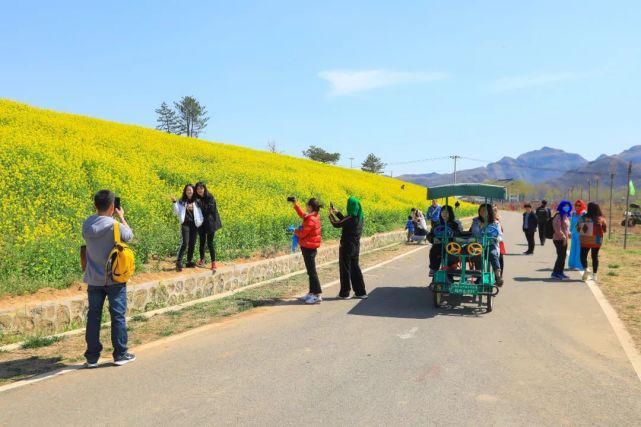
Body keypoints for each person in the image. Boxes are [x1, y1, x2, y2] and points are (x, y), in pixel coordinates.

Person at [82, 190, 135, 368]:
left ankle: (91, 358)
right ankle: (120, 354)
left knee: (93, 316)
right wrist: (122, 218)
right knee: (118, 316)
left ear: (95, 206)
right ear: (113, 207)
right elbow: (130, 236)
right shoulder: (115, 226)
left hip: (93, 279)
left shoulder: (87, 224)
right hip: (114, 279)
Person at [329, 196, 367, 299]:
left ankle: (344, 293)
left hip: (346, 246)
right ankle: (361, 292)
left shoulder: (350, 218)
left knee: (345, 269)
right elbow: (345, 221)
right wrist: (337, 212)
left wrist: (330, 215)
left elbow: (337, 224)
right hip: (355, 246)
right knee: (355, 268)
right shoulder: (360, 217)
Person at [290, 197, 323, 304]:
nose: (306, 207)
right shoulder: (313, 216)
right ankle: (311, 293)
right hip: (309, 247)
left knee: (312, 272)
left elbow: (303, 233)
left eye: (307, 206)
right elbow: (303, 215)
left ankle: (317, 295)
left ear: (310, 207)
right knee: (310, 271)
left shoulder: (311, 219)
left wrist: (294, 231)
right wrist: (295, 204)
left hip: (309, 248)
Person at [470, 203, 503, 286]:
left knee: (493, 254)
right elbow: (474, 232)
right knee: (477, 254)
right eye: (481, 210)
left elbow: (499, 234)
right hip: (478, 244)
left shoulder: (495, 222)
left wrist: (497, 238)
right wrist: (482, 226)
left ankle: (498, 276)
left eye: (484, 210)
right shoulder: (476, 221)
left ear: (489, 211)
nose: (482, 212)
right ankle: (479, 276)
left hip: (491, 244)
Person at [172, 184, 203, 271]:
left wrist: (200, 221)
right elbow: (176, 212)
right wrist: (174, 202)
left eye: (191, 190)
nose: (189, 191)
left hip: (194, 224)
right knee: (185, 242)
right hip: (185, 224)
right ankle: (179, 262)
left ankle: (189, 261)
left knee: (192, 243)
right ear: (185, 192)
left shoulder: (197, 201)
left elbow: (201, 212)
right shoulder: (182, 201)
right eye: (187, 190)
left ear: (193, 191)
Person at [195, 182, 222, 272]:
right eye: (198, 188)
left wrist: (200, 205)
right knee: (202, 242)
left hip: (210, 223)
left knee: (210, 243)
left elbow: (209, 210)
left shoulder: (210, 197)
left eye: (201, 188)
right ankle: (202, 260)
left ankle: (213, 263)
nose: (199, 190)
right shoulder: (196, 198)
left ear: (204, 189)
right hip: (201, 223)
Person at [428, 205, 462, 276]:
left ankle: (451, 267)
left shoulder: (454, 224)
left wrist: (453, 234)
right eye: (442, 212)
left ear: (450, 213)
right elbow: (430, 234)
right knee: (434, 249)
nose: (444, 214)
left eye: (446, 212)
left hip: (451, 244)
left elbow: (458, 233)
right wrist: (433, 239)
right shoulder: (437, 224)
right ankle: (434, 269)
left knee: (453, 252)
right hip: (439, 244)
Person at [578, 202, 607, 282]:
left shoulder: (583, 217)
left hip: (585, 240)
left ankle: (586, 268)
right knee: (595, 256)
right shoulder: (601, 218)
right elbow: (604, 230)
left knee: (583, 255)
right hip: (597, 240)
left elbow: (578, 228)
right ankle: (594, 275)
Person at [551, 200, 572, 280]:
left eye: (568, 206)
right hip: (559, 239)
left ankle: (560, 272)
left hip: (564, 239)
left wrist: (569, 233)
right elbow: (557, 228)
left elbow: (566, 228)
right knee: (560, 256)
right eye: (565, 206)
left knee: (563, 257)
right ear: (561, 207)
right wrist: (563, 237)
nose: (567, 207)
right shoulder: (558, 215)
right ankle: (556, 273)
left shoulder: (565, 216)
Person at [568, 199, 587, 270]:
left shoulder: (584, 213)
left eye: (579, 205)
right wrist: (569, 232)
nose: (577, 206)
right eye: (576, 205)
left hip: (581, 234)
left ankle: (578, 265)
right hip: (574, 234)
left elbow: (586, 225)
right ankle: (572, 264)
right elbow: (572, 224)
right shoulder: (573, 213)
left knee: (579, 249)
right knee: (573, 248)